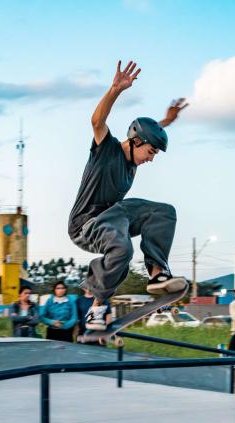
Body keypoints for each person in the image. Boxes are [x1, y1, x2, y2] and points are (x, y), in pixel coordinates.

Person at [68, 60, 189, 332]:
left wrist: (167, 121)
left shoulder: (134, 159)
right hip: (86, 225)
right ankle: (97, 307)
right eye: (151, 153)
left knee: (163, 211)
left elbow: (149, 131)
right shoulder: (106, 150)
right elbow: (97, 121)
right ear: (136, 142)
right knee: (122, 248)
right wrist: (115, 90)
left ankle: (157, 276)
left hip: (115, 218)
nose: (150, 159)